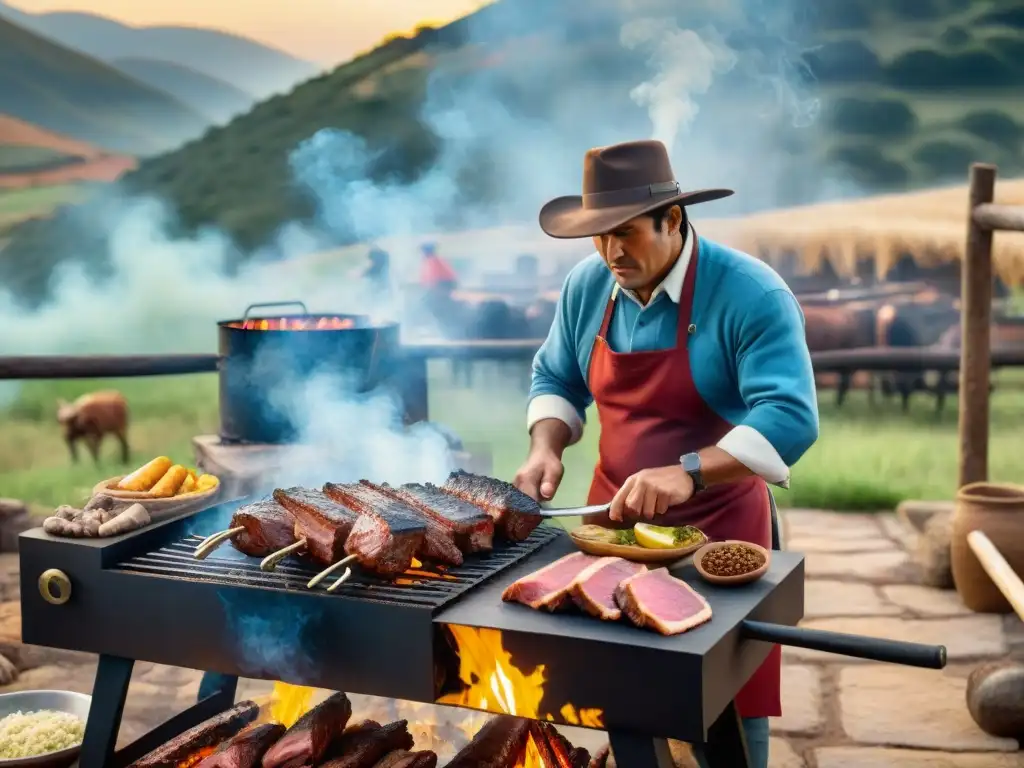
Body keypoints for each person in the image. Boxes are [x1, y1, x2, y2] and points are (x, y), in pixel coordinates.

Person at [513, 140, 819, 768]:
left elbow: (790, 416)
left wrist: (689, 473)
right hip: (611, 528)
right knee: (619, 689)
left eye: (625, 233)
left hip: (718, 530)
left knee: (726, 706)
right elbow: (555, 379)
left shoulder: (751, 294)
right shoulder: (587, 285)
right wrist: (547, 446)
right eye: (598, 237)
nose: (611, 252)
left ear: (672, 220)